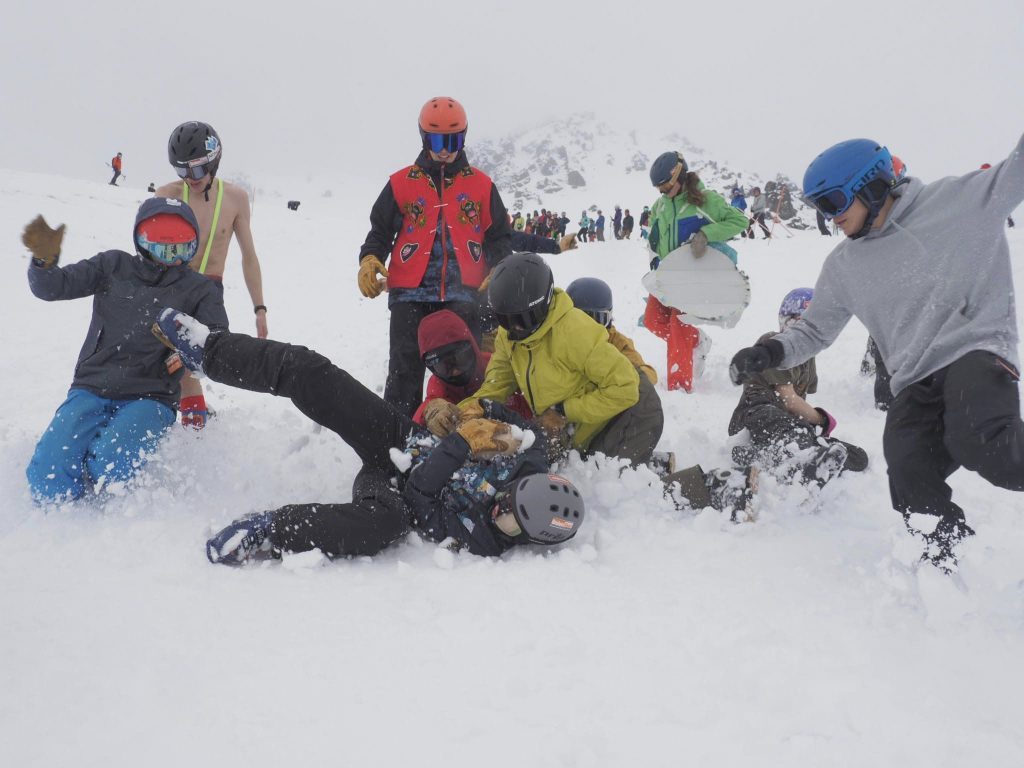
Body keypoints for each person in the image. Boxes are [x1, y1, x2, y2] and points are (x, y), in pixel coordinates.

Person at [729, 136, 1024, 572]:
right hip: (913, 379)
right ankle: (946, 566)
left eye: (832, 201)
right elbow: (814, 330)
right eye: (819, 207)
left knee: (985, 444)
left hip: (973, 351)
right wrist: (769, 352)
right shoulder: (845, 266)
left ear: (871, 184)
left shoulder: (961, 200)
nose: (829, 217)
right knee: (907, 470)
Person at [152, 308, 584, 564]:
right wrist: (489, 417)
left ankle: (268, 530)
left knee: (382, 525)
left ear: (528, 536)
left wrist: (463, 444)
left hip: (394, 486)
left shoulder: (483, 538)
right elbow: (529, 434)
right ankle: (210, 351)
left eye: (509, 518)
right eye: (510, 498)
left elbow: (419, 493)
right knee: (314, 373)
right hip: (405, 438)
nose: (499, 510)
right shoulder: (532, 462)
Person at [22, 199, 229, 502]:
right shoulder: (112, 265)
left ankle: (96, 474)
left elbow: (217, 342)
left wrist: (189, 349)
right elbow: (54, 286)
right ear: (140, 241)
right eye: (159, 247)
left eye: (179, 250)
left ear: (192, 247)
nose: (168, 258)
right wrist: (43, 262)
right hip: (92, 387)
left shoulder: (200, 289)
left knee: (111, 467)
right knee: (47, 479)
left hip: (151, 396)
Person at [356, 96, 512, 418]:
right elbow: (380, 230)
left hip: (463, 293)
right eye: (437, 140)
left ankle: (463, 433)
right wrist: (370, 258)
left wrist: (497, 269)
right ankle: (396, 442)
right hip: (409, 293)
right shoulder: (401, 183)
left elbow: (499, 236)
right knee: (404, 369)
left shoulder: (481, 186)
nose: (445, 149)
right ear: (424, 137)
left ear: (463, 138)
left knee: (463, 370)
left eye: (452, 140)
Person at [463, 253, 663, 467]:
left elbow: (626, 388)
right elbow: (497, 384)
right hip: (587, 416)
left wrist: (563, 411)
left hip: (631, 412)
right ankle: (655, 463)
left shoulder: (575, 332)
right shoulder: (509, 335)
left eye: (523, 318)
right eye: (506, 319)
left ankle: (692, 486)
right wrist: (465, 412)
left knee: (603, 484)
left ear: (544, 305)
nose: (516, 328)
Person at [155, 120, 269, 429]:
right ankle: (187, 422)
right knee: (162, 364)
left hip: (208, 293)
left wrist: (259, 307)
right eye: (181, 171)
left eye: (195, 170)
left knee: (192, 363)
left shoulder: (235, 199)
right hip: (169, 288)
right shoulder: (166, 194)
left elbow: (249, 256)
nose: (189, 179)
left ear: (214, 160)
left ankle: (195, 428)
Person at [729, 288, 868, 487]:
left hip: (788, 427)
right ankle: (795, 465)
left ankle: (773, 456)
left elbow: (799, 405)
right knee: (796, 431)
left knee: (857, 456)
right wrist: (822, 419)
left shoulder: (808, 359)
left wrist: (815, 428)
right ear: (786, 320)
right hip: (754, 416)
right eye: (797, 321)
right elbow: (789, 399)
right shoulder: (772, 343)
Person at [645, 151, 749, 392]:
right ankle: (697, 341)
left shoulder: (706, 200)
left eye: (666, 186)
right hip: (667, 274)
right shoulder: (659, 206)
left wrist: (706, 234)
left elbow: (740, 221)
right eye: (659, 188)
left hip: (693, 275)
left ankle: (680, 387)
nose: (662, 191)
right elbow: (655, 235)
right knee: (653, 321)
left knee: (677, 323)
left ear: (679, 175)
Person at [412, 309, 532, 431]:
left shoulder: (498, 367)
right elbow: (427, 407)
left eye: (461, 359)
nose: (455, 372)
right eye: (444, 367)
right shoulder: (440, 386)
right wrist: (430, 412)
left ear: (473, 347)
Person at [565, 277, 657, 385]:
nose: (588, 328)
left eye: (597, 319)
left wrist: (614, 372)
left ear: (608, 320)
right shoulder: (560, 336)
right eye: (580, 319)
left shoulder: (615, 341)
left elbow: (648, 375)